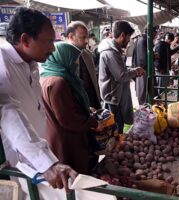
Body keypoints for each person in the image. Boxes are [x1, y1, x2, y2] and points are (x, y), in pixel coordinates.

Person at [0, 7, 77, 194]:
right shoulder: (2, 61)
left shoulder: (32, 62)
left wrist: (46, 159)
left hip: (35, 161)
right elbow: (8, 111)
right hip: (14, 165)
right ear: (25, 39)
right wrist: (46, 162)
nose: (53, 48)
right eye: (49, 41)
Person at [40, 42, 103, 174]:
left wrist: (86, 108)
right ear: (63, 58)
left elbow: (65, 106)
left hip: (58, 134)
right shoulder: (58, 83)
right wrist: (93, 123)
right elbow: (68, 118)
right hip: (68, 140)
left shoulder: (47, 76)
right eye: (73, 60)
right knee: (75, 176)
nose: (76, 64)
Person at [98, 21, 145, 134]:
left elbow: (120, 71)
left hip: (116, 95)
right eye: (129, 37)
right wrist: (136, 71)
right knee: (116, 128)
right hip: (113, 97)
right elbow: (121, 76)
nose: (129, 41)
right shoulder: (110, 52)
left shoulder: (115, 50)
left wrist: (133, 71)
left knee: (119, 125)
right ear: (123, 35)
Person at [67, 21, 101, 109]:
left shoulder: (87, 54)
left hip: (92, 100)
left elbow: (93, 80)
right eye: (83, 37)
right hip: (77, 106)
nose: (87, 41)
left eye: (87, 37)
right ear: (71, 37)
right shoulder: (64, 58)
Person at [132, 27, 157, 105]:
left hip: (139, 69)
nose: (155, 36)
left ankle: (142, 106)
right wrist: (154, 56)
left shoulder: (138, 39)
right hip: (144, 70)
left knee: (141, 90)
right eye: (155, 34)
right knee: (145, 90)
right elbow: (145, 57)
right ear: (152, 33)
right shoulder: (146, 40)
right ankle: (145, 108)